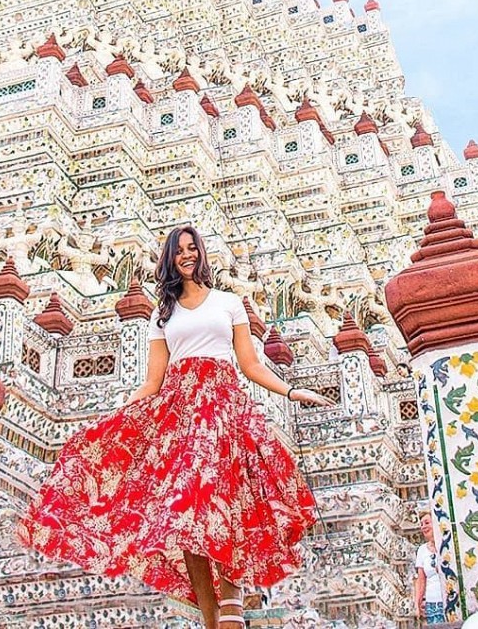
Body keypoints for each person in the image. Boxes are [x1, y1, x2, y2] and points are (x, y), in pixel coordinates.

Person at [21, 225, 327, 628]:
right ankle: (211, 620)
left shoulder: (229, 303)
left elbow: (250, 366)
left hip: (222, 410)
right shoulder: (163, 312)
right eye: (178, 250)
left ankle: (232, 611)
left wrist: (291, 391)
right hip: (181, 413)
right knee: (187, 512)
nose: (186, 255)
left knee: (226, 502)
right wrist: (116, 416)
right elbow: (153, 381)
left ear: (201, 253)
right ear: (170, 258)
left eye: (192, 248)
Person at [414, 512, 445, 624]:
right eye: (421, 524)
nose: (423, 527)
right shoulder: (422, 550)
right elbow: (421, 580)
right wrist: (417, 605)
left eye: (427, 523)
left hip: (449, 600)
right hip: (433, 603)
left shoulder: (447, 544)